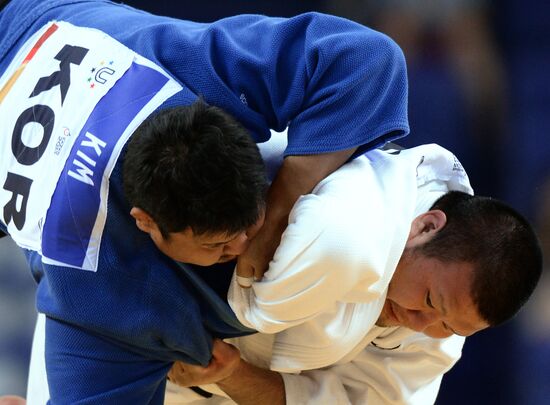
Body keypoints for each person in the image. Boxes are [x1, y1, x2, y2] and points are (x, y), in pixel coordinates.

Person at [0, 0, 410, 403]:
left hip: (39, 17)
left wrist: (279, 213)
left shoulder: (200, 70)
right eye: (216, 245)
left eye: (249, 225)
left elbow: (369, 58)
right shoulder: (90, 280)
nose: (242, 248)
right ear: (145, 222)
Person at [165, 139, 543, 404]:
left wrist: (231, 374)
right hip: (174, 271)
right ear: (425, 226)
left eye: (450, 327)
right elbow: (256, 307)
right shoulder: (359, 216)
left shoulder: (444, 321)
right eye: (429, 299)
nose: (421, 324)